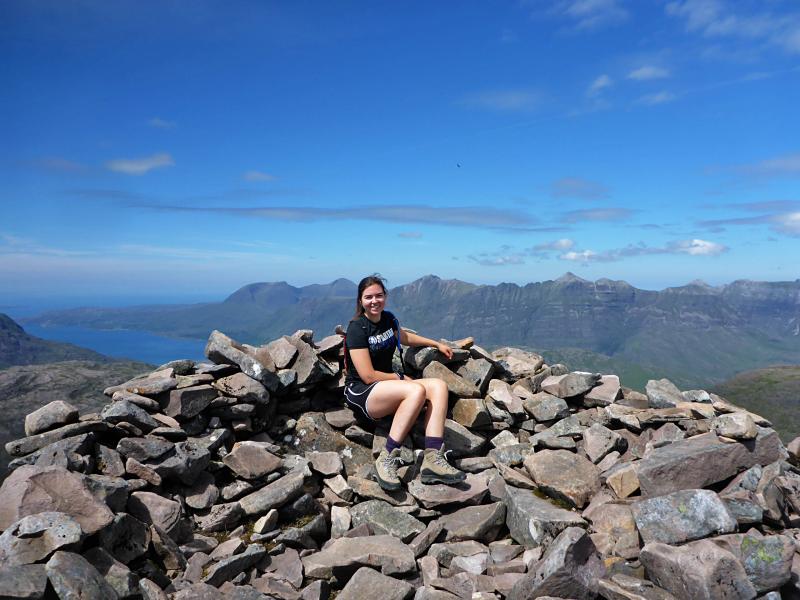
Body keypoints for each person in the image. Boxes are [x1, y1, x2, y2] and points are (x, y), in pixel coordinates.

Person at [343, 274, 466, 491]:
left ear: (385, 297)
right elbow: (368, 376)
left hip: (387, 388)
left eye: (379, 296)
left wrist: (436, 343)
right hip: (362, 392)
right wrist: (400, 378)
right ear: (360, 300)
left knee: (438, 386)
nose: (374, 301)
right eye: (369, 297)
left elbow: (404, 337)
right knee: (416, 391)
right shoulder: (357, 329)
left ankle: (433, 458)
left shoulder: (388, 319)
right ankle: (387, 458)